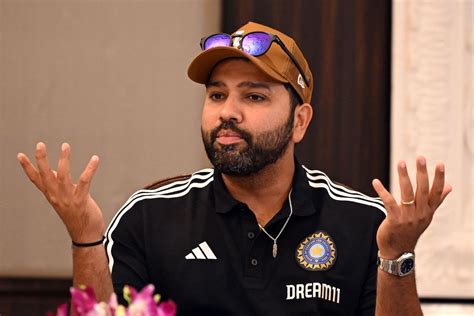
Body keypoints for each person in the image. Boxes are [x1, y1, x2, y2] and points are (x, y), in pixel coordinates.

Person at [17, 22, 451, 315]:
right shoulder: (148, 217)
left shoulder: (363, 223)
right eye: (217, 95)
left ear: (299, 121)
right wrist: (85, 236)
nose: (228, 112)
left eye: (254, 96)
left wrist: (395, 255)